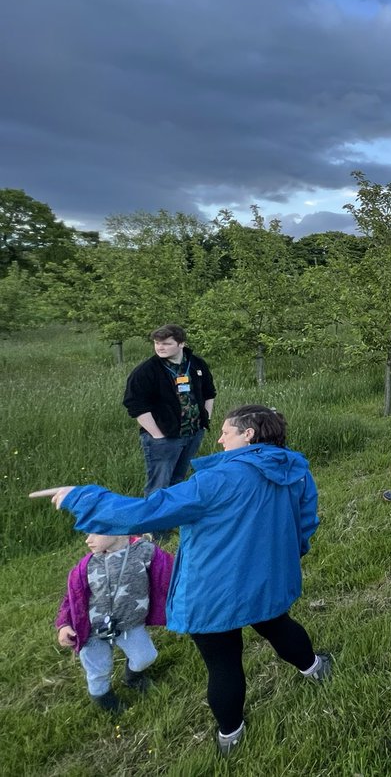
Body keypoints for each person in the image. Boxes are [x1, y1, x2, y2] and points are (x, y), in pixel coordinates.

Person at [31, 405, 329, 757]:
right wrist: (286, 557)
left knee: (223, 663)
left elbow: (149, 511)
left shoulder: (217, 479)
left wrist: (80, 496)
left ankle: (231, 735)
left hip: (212, 590)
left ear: (249, 434)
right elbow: (305, 522)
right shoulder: (294, 469)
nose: (219, 438)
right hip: (265, 581)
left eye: (226, 431)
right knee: (278, 625)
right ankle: (314, 668)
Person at [55, 533, 173, 713]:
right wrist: (64, 624)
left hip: (130, 624)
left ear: (118, 531)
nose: (88, 540)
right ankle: (102, 695)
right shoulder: (87, 565)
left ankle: (132, 677)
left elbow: (169, 571)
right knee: (98, 668)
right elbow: (72, 598)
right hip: (93, 631)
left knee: (146, 657)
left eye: (94, 533)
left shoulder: (143, 552)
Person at [123, 324, 217, 498]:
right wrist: (157, 435)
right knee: (158, 485)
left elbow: (209, 393)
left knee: (178, 481)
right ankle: (153, 523)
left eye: (166, 343)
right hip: (164, 437)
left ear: (181, 344)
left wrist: (205, 421)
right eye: (157, 343)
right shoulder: (146, 371)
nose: (160, 347)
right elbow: (135, 405)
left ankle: (171, 520)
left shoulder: (196, 364)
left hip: (193, 433)